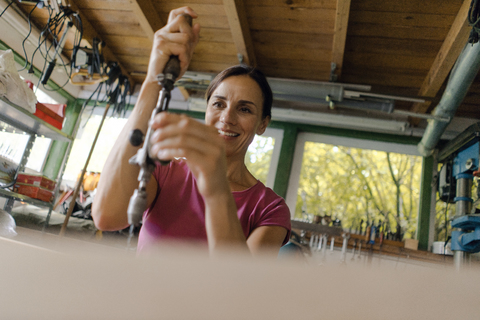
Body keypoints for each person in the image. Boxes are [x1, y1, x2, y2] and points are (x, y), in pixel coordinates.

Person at [92, 6, 291, 256]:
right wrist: (154, 78)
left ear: (263, 124)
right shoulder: (164, 173)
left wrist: (216, 186)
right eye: (218, 104)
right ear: (207, 110)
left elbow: (241, 285)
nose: (226, 118)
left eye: (245, 109)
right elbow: (106, 217)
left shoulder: (270, 209)